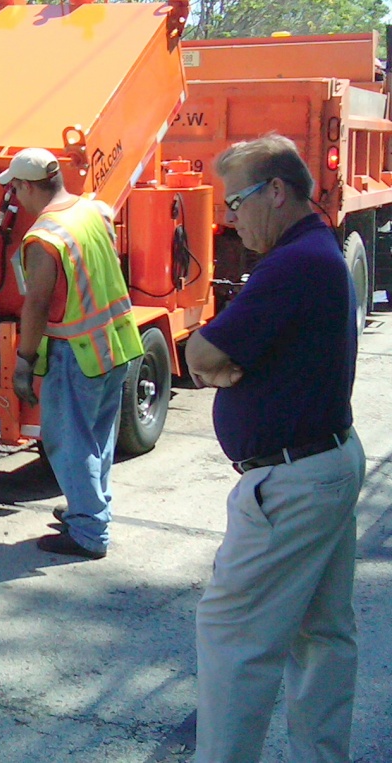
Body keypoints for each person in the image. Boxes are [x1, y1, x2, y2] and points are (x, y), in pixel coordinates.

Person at [186, 133, 366, 762]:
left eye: (236, 202)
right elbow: (215, 356)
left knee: (234, 640)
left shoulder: (292, 265)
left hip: (291, 483)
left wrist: (216, 361)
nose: (229, 217)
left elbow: (202, 353)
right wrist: (220, 360)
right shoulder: (316, 253)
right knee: (322, 633)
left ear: (278, 191)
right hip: (324, 465)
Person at [3, 148, 144, 560]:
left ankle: (88, 532)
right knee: (98, 435)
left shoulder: (44, 238)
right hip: (117, 343)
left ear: (29, 187)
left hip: (77, 354)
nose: (14, 195)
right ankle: (90, 506)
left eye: (15, 187)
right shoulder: (92, 211)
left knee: (67, 442)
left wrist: (24, 361)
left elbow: (37, 305)